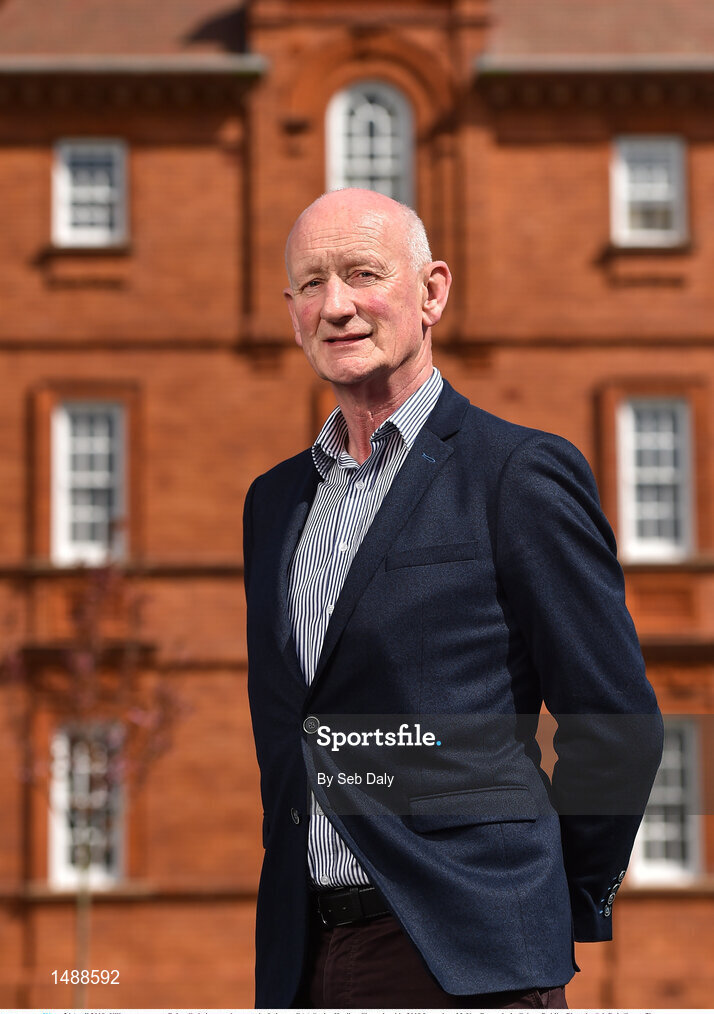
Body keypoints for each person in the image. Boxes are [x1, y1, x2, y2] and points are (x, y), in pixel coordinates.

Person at [243, 188, 663, 1007]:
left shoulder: (516, 475)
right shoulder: (275, 502)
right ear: (291, 309)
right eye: (311, 284)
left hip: (470, 959)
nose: (337, 306)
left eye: (363, 274)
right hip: (302, 957)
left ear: (432, 291)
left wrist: (538, 902)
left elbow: (615, 725)